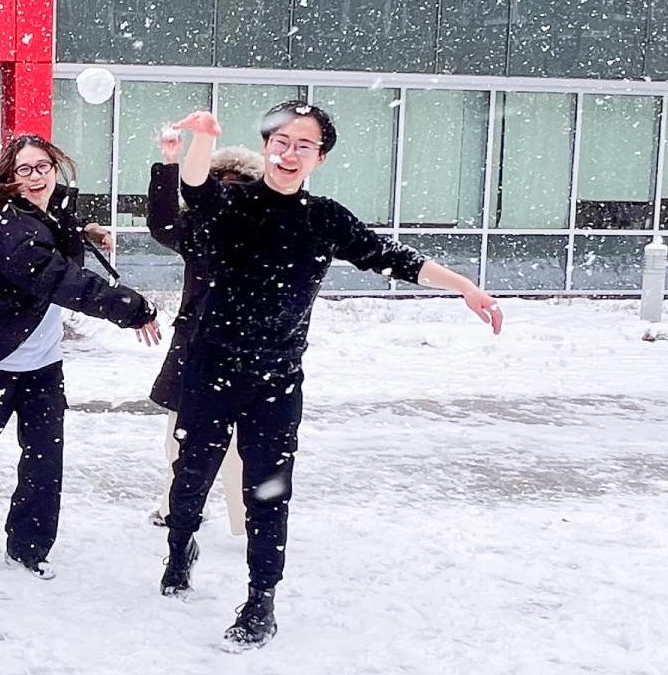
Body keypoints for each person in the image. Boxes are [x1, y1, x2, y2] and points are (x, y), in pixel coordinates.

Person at [160, 101, 503, 649]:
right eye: (281, 141)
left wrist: (463, 283)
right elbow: (196, 189)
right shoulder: (233, 202)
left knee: (268, 492)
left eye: (305, 144)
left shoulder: (325, 219)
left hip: (277, 380)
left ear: (320, 157)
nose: (290, 152)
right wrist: (202, 137)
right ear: (266, 145)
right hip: (210, 368)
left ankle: (260, 601)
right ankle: (180, 547)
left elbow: (387, 255)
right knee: (192, 474)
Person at [0, 134, 162, 579]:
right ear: (10, 178)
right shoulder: (10, 229)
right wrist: (131, 307)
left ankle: (28, 547)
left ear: (55, 168)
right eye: (24, 170)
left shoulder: (51, 211)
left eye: (42, 166)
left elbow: (59, 230)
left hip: (43, 366)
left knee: (45, 459)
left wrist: (85, 232)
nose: (36, 177)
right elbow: (64, 281)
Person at [146, 132, 264, 536]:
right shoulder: (197, 230)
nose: (229, 198)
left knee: (239, 447)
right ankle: (172, 509)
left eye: (239, 188)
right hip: (194, 349)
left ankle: (247, 520)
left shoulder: (268, 235)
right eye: (220, 186)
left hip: (246, 352)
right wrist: (169, 164)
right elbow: (162, 225)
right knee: (178, 438)